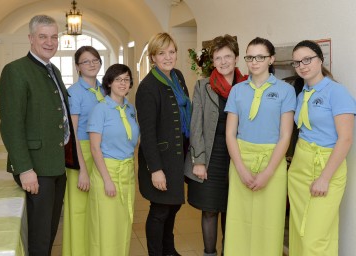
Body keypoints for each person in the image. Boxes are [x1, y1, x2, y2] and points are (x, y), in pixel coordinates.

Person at [0, 15, 79, 255]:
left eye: (54, 37)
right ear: (31, 39)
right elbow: (11, 125)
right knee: (40, 237)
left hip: (56, 164)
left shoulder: (51, 69)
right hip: (36, 168)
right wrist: (24, 169)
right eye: (43, 36)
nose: (49, 42)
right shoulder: (16, 71)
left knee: (50, 230)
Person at [224, 37, 296, 256]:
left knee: (269, 221)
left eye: (260, 57)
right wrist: (241, 168)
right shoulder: (237, 90)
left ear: (271, 59)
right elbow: (230, 133)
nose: (254, 62)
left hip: (272, 161)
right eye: (250, 57)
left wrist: (268, 172)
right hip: (241, 159)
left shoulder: (285, 90)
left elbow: (285, 136)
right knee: (239, 220)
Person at [288, 40, 356, 256]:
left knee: (314, 239)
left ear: (321, 59)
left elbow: (345, 139)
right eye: (297, 62)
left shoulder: (337, 92)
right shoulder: (302, 94)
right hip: (300, 168)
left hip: (327, 167)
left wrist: (325, 177)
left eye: (307, 59)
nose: (302, 65)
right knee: (299, 233)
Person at [184, 34, 247, 256]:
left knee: (233, 211)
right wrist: (198, 160)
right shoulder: (203, 87)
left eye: (227, 56)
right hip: (211, 158)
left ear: (236, 58)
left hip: (238, 158)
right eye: (218, 58)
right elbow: (196, 126)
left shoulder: (247, 86)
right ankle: (209, 253)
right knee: (210, 211)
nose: (223, 62)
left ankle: (228, 251)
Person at [135, 32, 191, 256]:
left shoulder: (177, 76)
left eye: (171, 52)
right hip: (160, 159)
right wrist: (155, 170)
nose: (168, 57)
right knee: (159, 210)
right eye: (162, 53)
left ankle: (169, 249)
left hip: (178, 157)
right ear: (153, 58)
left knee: (173, 207)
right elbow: (147, 134)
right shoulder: (147, 87)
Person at [87, 64, 139, 255]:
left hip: (126, 172)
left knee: (123, 224)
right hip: (106, 173)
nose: (122, 83)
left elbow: (132, 140)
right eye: (118, 79)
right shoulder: (100, 109)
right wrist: (107, 180)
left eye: (126, 79)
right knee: (106, 227)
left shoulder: (130, 108)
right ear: (109, 82)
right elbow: (94, 148)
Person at [62, 46, 104, 256]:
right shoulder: (74, 93)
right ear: (78, 66)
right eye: (86, 61)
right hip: (81, 154)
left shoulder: (105, 89)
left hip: (101, 154)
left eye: (95, 59)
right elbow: (74, 134)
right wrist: (82, 170)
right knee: (79, 211)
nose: (91, 64)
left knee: (97, 209)